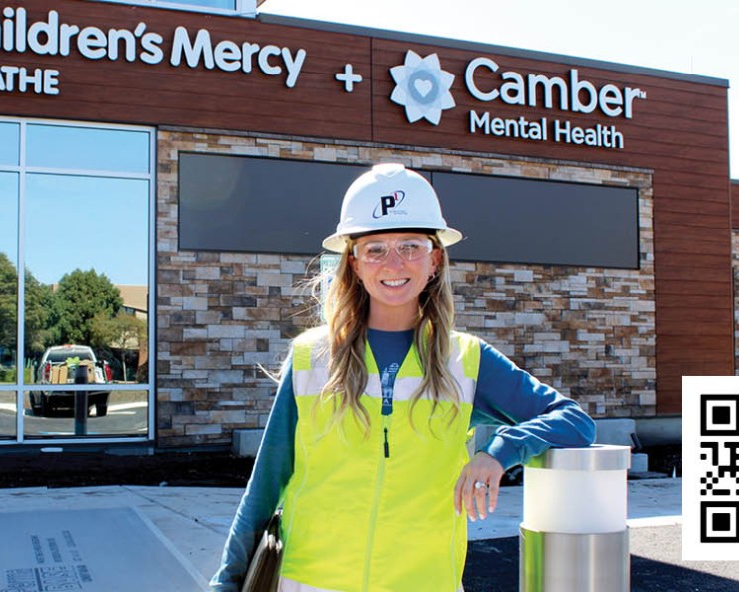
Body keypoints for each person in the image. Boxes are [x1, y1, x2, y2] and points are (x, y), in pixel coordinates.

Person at [210, 163, 596, 592]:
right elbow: (265, 487)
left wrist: (499, 452)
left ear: (435, 260)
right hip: (311, 582)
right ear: (354, 263)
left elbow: (575, 421)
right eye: (375, 248)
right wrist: (225, 583)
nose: (393, 263)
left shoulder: (465, 359)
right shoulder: (311, 357)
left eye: (410, 246)